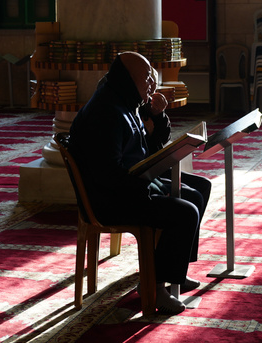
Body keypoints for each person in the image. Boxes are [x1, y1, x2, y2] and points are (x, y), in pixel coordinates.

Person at [67, 51, 211, 314]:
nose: (152, 83)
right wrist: (152, 185)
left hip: (130, 183)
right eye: (146, 77)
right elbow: (108, 174)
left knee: (200, 188)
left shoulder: (125, 101)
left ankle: (174, 273)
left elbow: (149, 146)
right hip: (110, 199)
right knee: (185, 210)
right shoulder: (107, 113)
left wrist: (156, 115)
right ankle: (153, 288)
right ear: (127, 78)